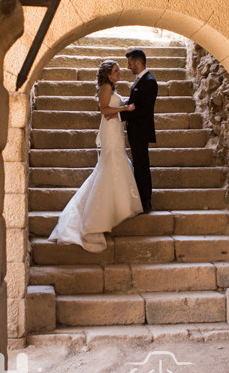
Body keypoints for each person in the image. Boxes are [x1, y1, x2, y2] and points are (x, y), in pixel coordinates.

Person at [48, 60, 143, 252]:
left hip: (115, 130)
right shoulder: (105, 87)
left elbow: (110, 108)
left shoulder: (110, 87)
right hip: (110, 130)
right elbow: (104, 111)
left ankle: (119, 205)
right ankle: (98, 216)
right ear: (108, 74)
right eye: (116, 71)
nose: (119, 73)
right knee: (110, 164)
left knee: (117, 163)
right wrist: (124, 109)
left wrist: (123, 106)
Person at [120, 48, 158, 212]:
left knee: (142, 165)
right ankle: (141, 199)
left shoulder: (149, 81)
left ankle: (145, 201)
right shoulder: (139, 80)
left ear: (138, 62)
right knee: (139, 164)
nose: (128, 67)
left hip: (141, 131)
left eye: (129, 63)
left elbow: (144, 109)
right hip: (135, 130)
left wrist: (122, 116)